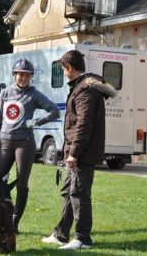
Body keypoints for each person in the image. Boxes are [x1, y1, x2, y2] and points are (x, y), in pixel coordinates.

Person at [41, 50, 116, 250]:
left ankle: (82, 239)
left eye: (63, 69)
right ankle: (61, 234)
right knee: (69, 192)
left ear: (69, 68)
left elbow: (83, 124)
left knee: (79, 194)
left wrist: (73, 153)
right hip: (76, 152)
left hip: (83, 153)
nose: (63, 72)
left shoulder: (85, 90)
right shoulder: (81, 87)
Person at [0, 58, 60, 234]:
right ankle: (3, 216)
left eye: (26, 75)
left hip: (25, 143)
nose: (23, 78)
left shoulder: (34, 94)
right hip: (5, 142)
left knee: (22, 183)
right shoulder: (5, 93)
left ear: (30, 77)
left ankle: (14, 222)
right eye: (20, 74)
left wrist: (37, 121)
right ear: (14, 75)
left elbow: (55, 110)